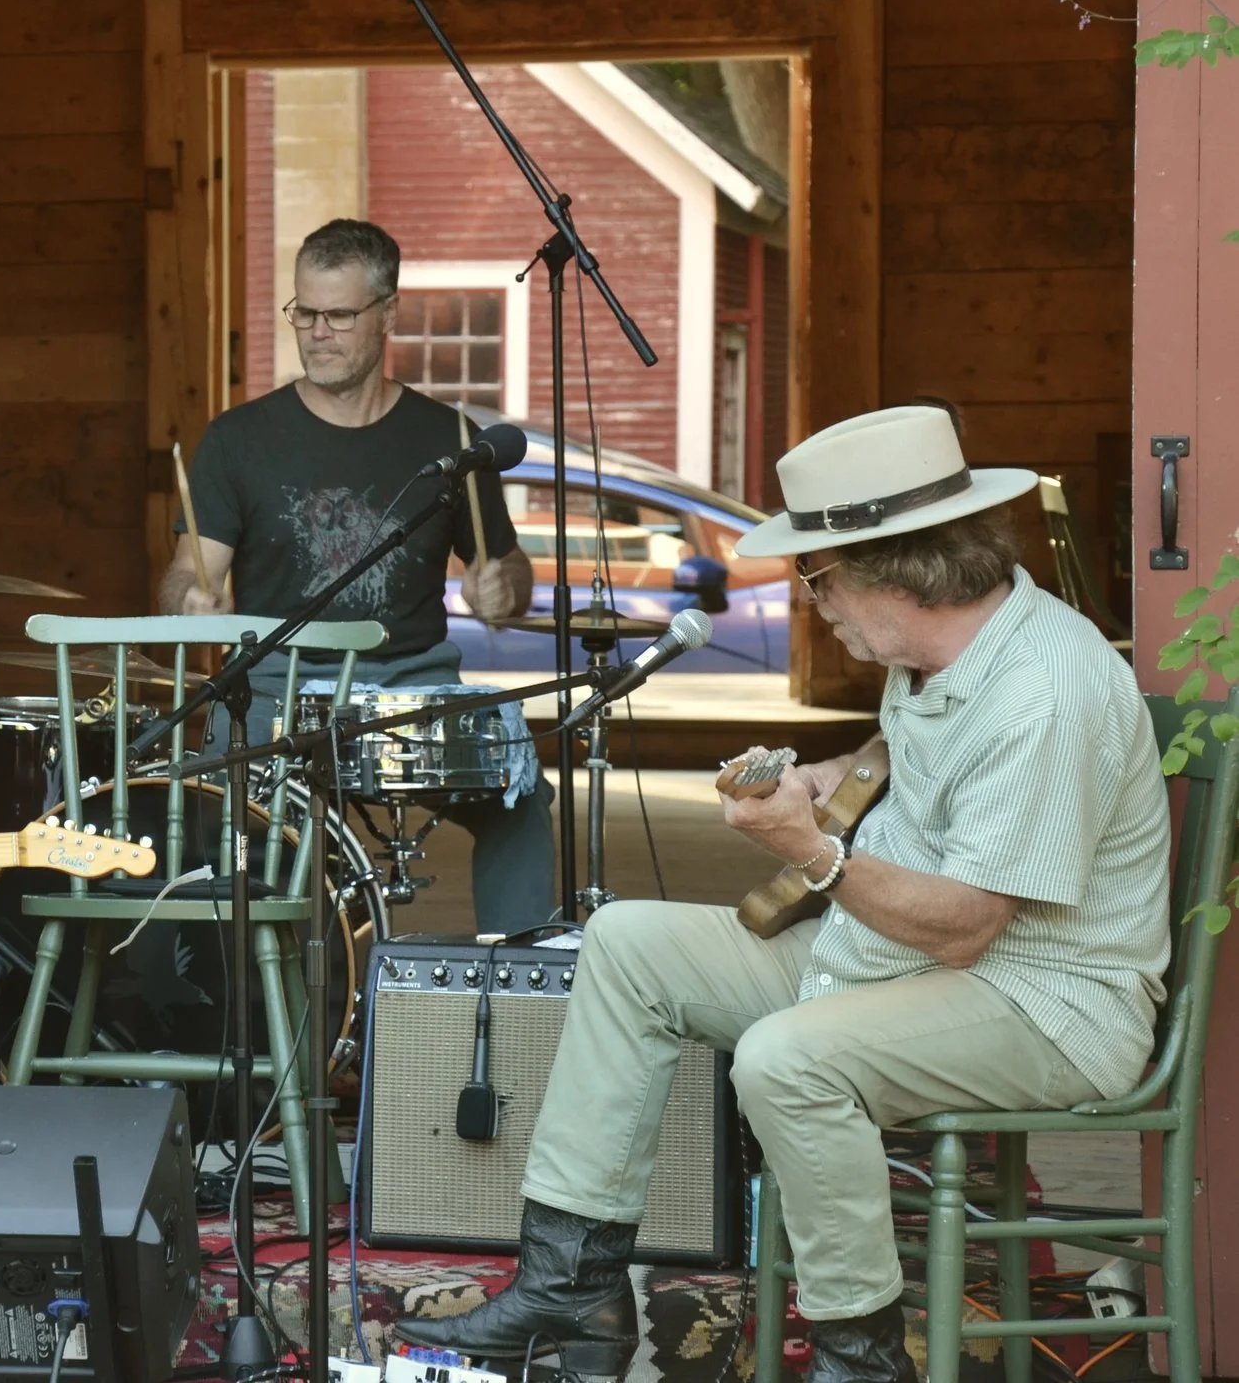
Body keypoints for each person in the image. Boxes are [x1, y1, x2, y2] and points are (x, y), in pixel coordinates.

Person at [392, 405, 1172, 1383]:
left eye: (816, 572)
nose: (811, 599)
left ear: (896, 568)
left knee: (785, 1060)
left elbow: (967, 928)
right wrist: (835, 779)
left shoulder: (1044, 689)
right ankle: (569, 1287)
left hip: (1044, 1002)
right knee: (625, 942)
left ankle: (860, 1356)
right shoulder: (940, 648)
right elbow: (925, 761)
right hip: (898, 962)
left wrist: (813, 851)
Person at [161, 217, 554, 931]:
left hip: (412, 689)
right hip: (275, 689)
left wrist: (505, 586)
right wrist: (191, 599)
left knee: (519, 798)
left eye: (339, 315)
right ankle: (246, 985)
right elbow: (189, 574)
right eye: (304, 312)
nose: (317, 333)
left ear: (388, 315)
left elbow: (507, 566)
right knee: (210, 806)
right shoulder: (239, 439)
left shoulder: (449, 438)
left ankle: (519, 972)